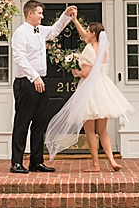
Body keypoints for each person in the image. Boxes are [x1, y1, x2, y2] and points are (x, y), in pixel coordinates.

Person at [45, 16, 134, 172]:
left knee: (90, 131)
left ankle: (95, 164)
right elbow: (86, 38)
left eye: (87, 31)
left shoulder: (89, 50)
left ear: (93, 33)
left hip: (90, 91)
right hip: (103, 89)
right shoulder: (104, 47)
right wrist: (75, 21)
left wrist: (75, 72)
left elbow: (86, 73)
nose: (85, 33)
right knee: (103, 130)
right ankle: (112, 160)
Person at [9, 0, 77, 173]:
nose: (42, 16)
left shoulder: (40, 31)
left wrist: (66, 15)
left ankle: (36, 161)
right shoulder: (20, 33)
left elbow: (55, 30)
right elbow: (20, 58)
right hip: (26, 82)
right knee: (22, 123)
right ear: (30, 13)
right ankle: (16, 162)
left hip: (42, 82)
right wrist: (35, 77)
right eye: (39, 13)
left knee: (40, 123)